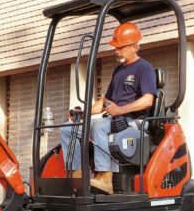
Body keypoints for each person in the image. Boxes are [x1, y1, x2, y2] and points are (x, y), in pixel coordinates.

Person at [59, 22, 156, 194]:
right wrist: (82, 113)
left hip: (135, 122)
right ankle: (77, 174)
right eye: (115, 47)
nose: (116, 51)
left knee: (100, 126)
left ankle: (105, 178)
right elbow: (105, 101)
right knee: (68, 129)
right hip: (114, 119)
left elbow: (148, 100)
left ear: (134, 46)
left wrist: (120, 110)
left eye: (120, 47)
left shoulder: (144, 68)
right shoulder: (119, 71)